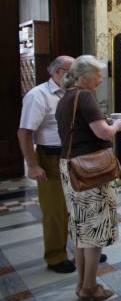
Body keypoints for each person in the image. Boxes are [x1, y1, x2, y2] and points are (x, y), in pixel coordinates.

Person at [56, 55, 121, 301]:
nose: (99, 80)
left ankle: (82, 284)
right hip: (90, 169)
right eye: (97, 76)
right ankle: (89, 288)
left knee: (80, 228)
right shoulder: (84, 96)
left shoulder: (65, 97)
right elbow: (102, 132)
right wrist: (116, 124)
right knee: (94, 230)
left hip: (70, 167)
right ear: (85, 77)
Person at [17, 56, 77, 273]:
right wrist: (32, 165)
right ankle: (55, 256)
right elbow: (24, 132)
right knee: (55, 210)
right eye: (73, 71)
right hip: (51, 157)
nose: (77, 76)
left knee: (79, 206)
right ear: (59, 71)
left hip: (76, 156)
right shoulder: (38, 95)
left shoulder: (72, 92)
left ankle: (84, 250)